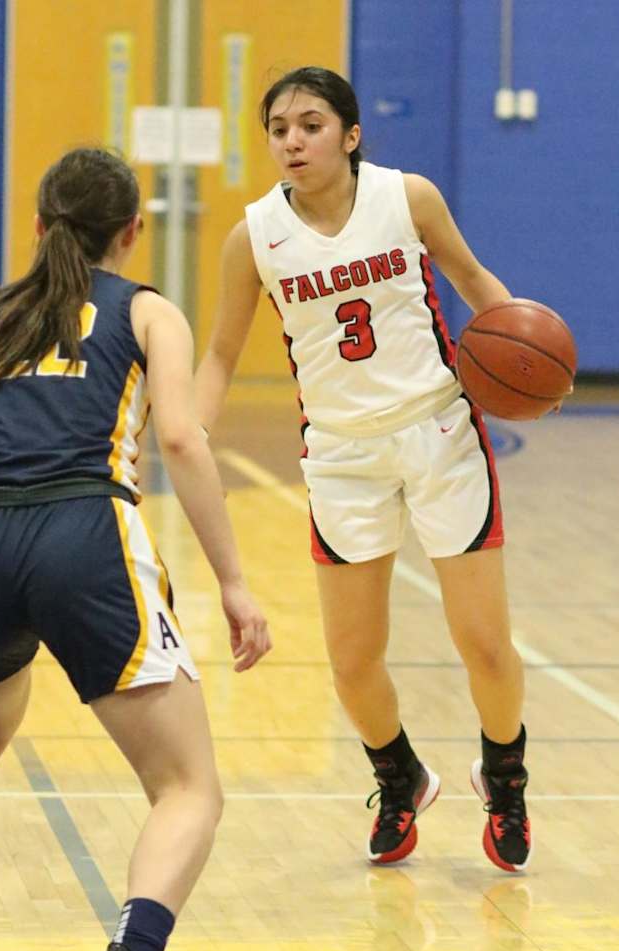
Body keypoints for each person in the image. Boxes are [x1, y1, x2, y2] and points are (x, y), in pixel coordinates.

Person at [0, 147, 271, 951]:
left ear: (39, 226)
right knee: (187, 785)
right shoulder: (146, 310)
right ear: (132, 232)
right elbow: (179, 436)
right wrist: (234, 582)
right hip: (82, 534)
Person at [194, 67, 531, 874]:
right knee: (351, 662)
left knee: (483, 643)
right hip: (342, 455)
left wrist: (527, 352)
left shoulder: (406, 198)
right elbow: (220, 353)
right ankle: (399, 776)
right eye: (278, 128)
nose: (292, 140)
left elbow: (474, 280)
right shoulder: (254, 239)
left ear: (349, 136)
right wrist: (188, 432)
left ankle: (507, 777)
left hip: (438, 432)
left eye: (310, 124)